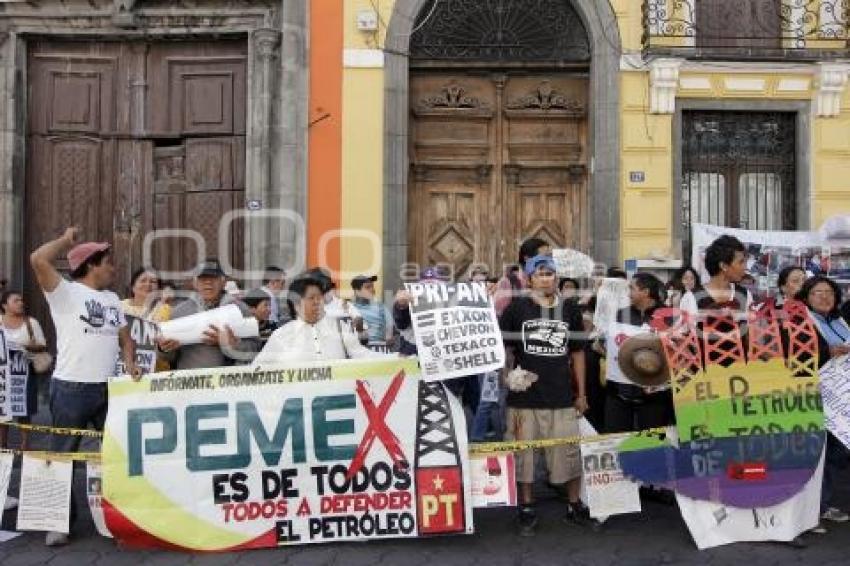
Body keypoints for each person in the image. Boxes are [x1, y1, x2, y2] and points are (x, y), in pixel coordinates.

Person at [29, 227, 141, 547]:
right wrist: (65, 241)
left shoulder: (111, 300)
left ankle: (123, 516)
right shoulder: (64, 292)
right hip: (71, 389)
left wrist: (130, 361)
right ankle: (58, 523)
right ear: (91, 264)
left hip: (107, 391)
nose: (113, 268)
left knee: (119, 454)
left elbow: (126, 338)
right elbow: (38, 258)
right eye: (108, 262)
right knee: (62, 456)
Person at [499, 254, 588, 536]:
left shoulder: (570, 309)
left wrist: (582, 393)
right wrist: (507, 375)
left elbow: (577, 354)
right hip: (524, 400)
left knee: (568, 455)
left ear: (556, 278)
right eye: (540, 274)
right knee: (523, 457)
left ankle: (574, 505)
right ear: (529, 279)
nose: (546, 278)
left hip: (561, 396)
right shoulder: (516, 309)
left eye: (550, 274)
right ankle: (527, 507)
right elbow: (505, 349)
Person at [797, 275, 850, 532]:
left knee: (837, 450)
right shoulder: (802, 321)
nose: (824, 296)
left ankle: (822, 504)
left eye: (829, 291)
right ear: (807, 297)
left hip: (842, 397)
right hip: (815, 396)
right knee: (819, 452)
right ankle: (813, 510)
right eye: (818, 292)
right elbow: (796, 355)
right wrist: (827, 353)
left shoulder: (841, 321)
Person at [254, 273, 392, 364]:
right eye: (311, 298)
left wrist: (396, 358)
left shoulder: (339, 328)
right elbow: (256, 370)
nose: (317, 302)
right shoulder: (282, 335)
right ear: (296, 304)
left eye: (319, 297)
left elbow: (362, 355)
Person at [605, 273, 673, 433]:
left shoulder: (669, 316)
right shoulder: (620, 314)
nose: (628, 293)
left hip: (654, 395)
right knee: (616, 440)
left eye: (632, 288)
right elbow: (608, 345)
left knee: (652, 445)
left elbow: (676, 352)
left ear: (646, 292)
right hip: (620, 393)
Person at [156, 259, 253, 369]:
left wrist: (232, 344)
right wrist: (163, 348)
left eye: (213, 278)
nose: (208, 282)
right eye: (202, 279)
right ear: (195, 283)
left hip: (229, 381)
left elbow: (255, 349)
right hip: (190, 381)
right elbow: (169, 358)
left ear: (224, 282)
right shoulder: (180, 312)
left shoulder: (239, 309)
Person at [0, 290, 48, 450]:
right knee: (2, 409)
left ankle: (25, 444)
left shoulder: (31, 323)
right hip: (3, 374)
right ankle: (3, 445)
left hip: (25, 373)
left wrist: (26, 347)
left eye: (21, 300)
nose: (21, 303)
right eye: (16, 300)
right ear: (4, 305)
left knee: (24, 409)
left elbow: (42, 344)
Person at [494, 237, 550, 315]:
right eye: (544, 257)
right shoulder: (509, 282)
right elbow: (499, 314)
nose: (549, 260)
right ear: (527, 259)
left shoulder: (549, 281)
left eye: (549, 257)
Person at [351, 274, 393, 351]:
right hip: (357, 350)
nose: (372, 290)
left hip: (380, 348)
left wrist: (389, 335)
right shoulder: (349, 308)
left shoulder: (381, 307)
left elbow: (390, 326)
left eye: (372, 286)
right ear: (357, 291)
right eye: (367, 287)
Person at [240, 289, 278, 361]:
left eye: (269, 305)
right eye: (265, 305)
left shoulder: (272, 326)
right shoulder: (242, 329)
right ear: (252, 309)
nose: (269, 310)